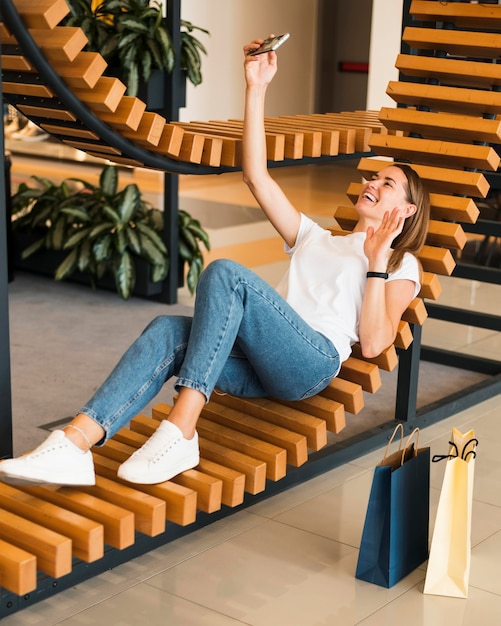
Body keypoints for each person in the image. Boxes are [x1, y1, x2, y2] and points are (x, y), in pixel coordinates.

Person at [0, 37, 430, 488]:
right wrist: (256, 88)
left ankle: (183, 428)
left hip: (310, 361)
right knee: (168, 331)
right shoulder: (316, 238)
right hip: (258, 359)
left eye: (387, 183)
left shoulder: (402, 263)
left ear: (407, 209)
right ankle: (74, 444)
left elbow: (375, 342)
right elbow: (256, 176)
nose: (371, 183)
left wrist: (378, 259)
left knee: (228, 274)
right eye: (372, 177)